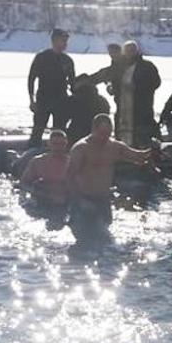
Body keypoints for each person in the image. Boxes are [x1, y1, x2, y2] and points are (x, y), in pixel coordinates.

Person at [65, 114, 152, 242]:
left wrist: (152, 150)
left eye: (108, 133)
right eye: (101, 133)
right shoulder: (81, 148)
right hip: (83, 200)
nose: (104, 137)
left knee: (106, 240)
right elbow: (69, 177)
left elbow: (139, 156)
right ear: (93, 129)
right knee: (86, 240)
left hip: (103, 200)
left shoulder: (114, 146)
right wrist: (80, 200)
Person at [27, 29, 75, 147]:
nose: (65, 44)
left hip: (61, 100)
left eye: (66, 41)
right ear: (54, 41)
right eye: (62, 40)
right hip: (44, 99)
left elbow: (73, 83)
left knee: (59, 131)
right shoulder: (42, 57)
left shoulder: (67, 60)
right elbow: (31, 79)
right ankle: (32, 155)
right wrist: (32, 100)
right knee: (38, 130)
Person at [110, 41, 161, 148]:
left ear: (137, 51)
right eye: (127, 51)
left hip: (141, 108)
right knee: (123, 134)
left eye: (132, 51)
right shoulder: (119, 66)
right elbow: (111, 79)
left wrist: (138, 88)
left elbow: (156, 82)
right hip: (123, 108)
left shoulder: (147, 66)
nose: (130, 53)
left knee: (142, 137)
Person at [20, 130, 71, 229]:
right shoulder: (38, 162)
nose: (58, 147)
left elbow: (81, 186)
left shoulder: (72, 163)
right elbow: (24, 183)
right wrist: (38, 193)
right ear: (49, 144)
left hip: (63, 202)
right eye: (55, 144)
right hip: (42, 199)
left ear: (66, 144)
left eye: (61, 144)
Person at [68, 74, 111, 143]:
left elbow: (64, 117)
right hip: (97, 136)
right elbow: (105, 117)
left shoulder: (73, 99)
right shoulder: (102, 100)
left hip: (76, 135)